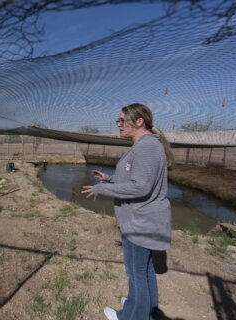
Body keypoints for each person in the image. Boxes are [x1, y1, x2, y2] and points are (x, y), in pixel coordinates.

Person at [81, 103, 174, 320]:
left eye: (122, 120)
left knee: (136, 274)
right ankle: (141, 308)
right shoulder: (144, 145)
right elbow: (138, 179)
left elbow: (141, 186)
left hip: (141, 222)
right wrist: (110, 178)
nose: (119, 125)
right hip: (142, 221)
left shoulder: (147, 147)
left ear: (139, 121)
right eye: (119, 121)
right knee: (144, 271)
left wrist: (102, 188)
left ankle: (132, 315)